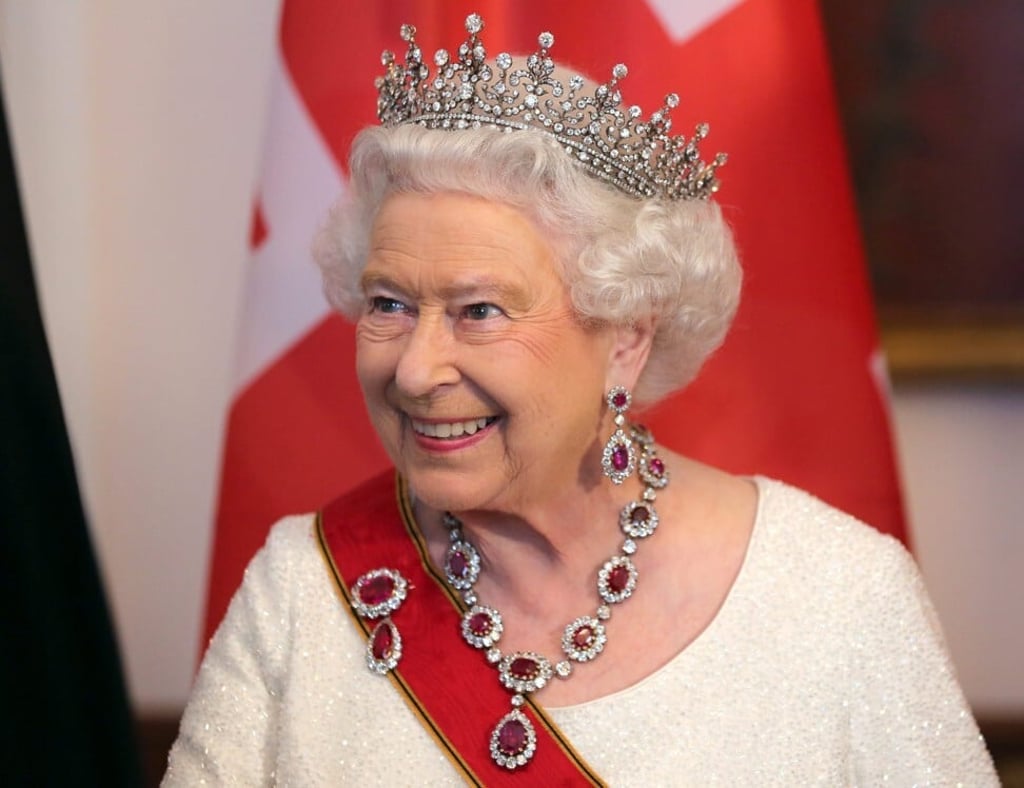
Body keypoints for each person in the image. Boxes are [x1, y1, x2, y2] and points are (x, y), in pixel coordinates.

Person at [164, 14, 997, 786]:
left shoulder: (835, 596)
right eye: (388, 304)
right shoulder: (300, 592)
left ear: (627, 337)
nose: (416, 371)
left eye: (478, 312)